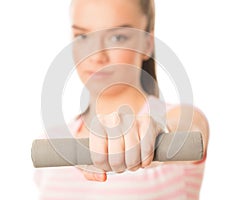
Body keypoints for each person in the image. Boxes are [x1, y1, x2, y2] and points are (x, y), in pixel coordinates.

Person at [35, 0, 209, 199]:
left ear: (147, 43)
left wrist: (159, 135)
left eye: (117, 37)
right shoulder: (50, 138)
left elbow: (190, 129)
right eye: (82, 36)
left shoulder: (178, 117)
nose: (96, 56)